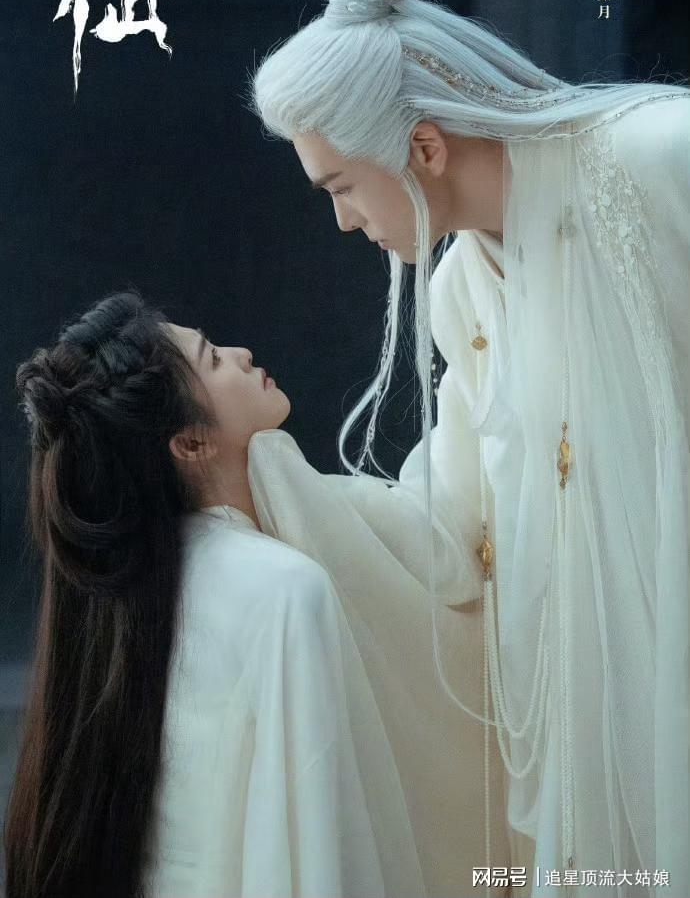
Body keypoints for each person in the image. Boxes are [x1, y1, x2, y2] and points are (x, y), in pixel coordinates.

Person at [251, 0, 690, 897]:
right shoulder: (464, 292)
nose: (343, 221)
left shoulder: (659, 157)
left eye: (340, 187)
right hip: (596, 728)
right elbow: (454, 531)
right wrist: (263, 485)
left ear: (424, 146)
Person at [4, 289, 511, 898]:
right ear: (191, 443)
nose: (242, 353)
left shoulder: (151, 589)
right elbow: (319, 850)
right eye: (214, 358)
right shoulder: (283, 588)